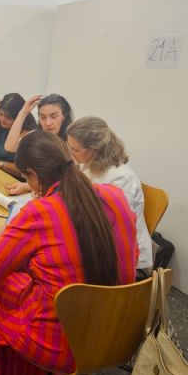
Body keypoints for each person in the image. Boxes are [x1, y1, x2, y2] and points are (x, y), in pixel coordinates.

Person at [0, 130, 138, 375]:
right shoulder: (115, 197)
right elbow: (127, 268)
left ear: (32, 174)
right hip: (117, 330)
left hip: (61, 342)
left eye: (26, 178)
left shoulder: (40, 212)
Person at [66, 116, 153, 275]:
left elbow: (108, 226)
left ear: (94, 150)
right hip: (98, 242)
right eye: (69, 146)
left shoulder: (120, 178)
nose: (70, 153)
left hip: (127, 260)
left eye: (75, 150)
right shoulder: (88, 163)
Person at [4, 93, 74, 195]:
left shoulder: (73, 143)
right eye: (42, 117)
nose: (47, 123)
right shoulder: (38, 137)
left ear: (64, 116)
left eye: (54, 116)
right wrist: (23, 112)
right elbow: (10, 147)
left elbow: (72, 182)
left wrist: (30, 187)